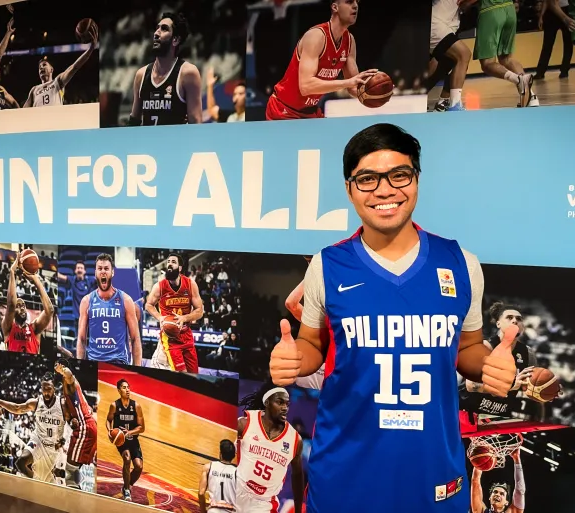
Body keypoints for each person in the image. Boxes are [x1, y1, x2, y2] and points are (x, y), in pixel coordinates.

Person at [268, 123, 517, 511]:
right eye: (367, 179)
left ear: (416, 180)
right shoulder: (327, 264)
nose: (384, 190)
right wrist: (296, 359)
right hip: (344, 471)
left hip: (434, 473)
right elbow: (313, 344)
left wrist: (488, 365)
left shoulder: (462, 263)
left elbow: (466, 348)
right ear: (349, 188)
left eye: (399, 175)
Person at [265, 0, 377, 121]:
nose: (355, 6)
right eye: (349, 2)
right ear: (335, 7)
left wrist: (374, 93)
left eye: (357, 2)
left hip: (310, 111)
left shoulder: (349, 41)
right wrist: (347, 82)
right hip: (283, 109)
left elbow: (354, 87)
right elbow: (306, 86)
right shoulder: (316, 36)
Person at [237, 384, 304, 512]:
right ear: (267, 403)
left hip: (263, 503)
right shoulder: (245, 423)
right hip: (236, 490)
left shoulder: (295, 439)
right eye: (280, 402)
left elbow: (297, 475)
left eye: (287, 404)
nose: (285, 408)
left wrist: (298, 510)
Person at [0, 373, 66, 483]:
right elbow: (17, 408)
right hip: (38, 440)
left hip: (53, 448)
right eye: (44, 389)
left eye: (49, 389)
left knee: (47, 480)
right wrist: (0, 402)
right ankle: (33, 485)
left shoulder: (62, 405)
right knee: (20, 462)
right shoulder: (36, 403)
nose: (46, 392)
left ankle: (37, 485)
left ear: (54, 388)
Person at [129, 12, 202, 126]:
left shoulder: (188, 73)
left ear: (175, 40)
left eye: (164, 29)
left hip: (175, 143)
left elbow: (196, 123)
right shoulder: (141, 75)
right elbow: (134, 121)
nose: (156, 33)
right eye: (157, 28)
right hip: (147, 143)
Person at [76, 253, 142, 366]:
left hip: (119, 361)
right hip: (94, 361)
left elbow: (135, 338)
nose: (103, 271)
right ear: (95, 273)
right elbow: (81, 339)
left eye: (106, 268)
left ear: (112, 272)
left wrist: (138, 370)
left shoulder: (125, 300)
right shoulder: (87, 301)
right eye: (99, 268)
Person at [471, 0, 538, 107]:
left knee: (487, 64)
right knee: (507, 59)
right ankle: (531, 97)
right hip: (509, 9)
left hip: (491, 11)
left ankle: (518, 79)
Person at [144, 254, 204, 373]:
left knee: (193, 375)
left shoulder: (190, 284)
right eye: (168, 262)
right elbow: (148, 305)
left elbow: (200, 311)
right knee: (181, 374)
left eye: (173, 262)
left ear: (180, 268)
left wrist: (184, 318)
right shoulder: (159, 286)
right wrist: (160, 317)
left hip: (186, 334)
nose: (169, 264)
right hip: (170, 337)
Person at [24, 25, 97, 108]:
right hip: (39, 120)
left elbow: (74, 67)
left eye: (44, 65)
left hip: (55, 119)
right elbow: (23, 111)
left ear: (51, 69)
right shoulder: (34, 89)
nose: (41, 67)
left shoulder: (57, 82)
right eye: (39, 67)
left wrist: (90, 49)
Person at [55, 359, 97, 490]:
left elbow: (69, 375)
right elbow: (68, 416)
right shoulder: (65, 389)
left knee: (70, 473)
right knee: (74, 471)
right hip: (87, 427)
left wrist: (63, 370)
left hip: (85, 428)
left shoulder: (71, 382)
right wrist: (70, 420)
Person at [2, 256, 55, 354]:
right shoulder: (8, 327)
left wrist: (35, 280)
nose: (22, 307)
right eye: (18, 306)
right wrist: (12, 272)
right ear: (13, 313)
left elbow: (50, 311)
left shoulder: (34, 328)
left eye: (23, 305)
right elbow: (11, 304)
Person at [429, 0, 472, 111]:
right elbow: (465, 4)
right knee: (464, 54)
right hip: (436, 24)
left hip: (444, 25)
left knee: (448, 62)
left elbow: (464, 6)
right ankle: (455, 105)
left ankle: (443, 101)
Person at [106, 378, 145, 502]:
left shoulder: (136, 406)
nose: (127, 390)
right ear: (118, 390)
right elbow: (108, 420)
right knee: (127, 458)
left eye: (128, 387)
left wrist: (130, 432)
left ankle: (127, 485)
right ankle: (127, 490)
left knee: (138, 467)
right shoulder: (114, 405)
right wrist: (109, 431)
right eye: (124, 387)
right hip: (122, 441)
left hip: (133, 440)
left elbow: (142, 428)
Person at [470, 445, 526, 513]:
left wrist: (517, 459)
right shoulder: (480, 511)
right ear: (490, 498)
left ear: (506, 502)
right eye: (495, 492)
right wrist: (481, 457)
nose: (497, 495)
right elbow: (475, 481)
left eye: (502, 494)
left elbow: (520, 490)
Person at [534, 0, 572, 80]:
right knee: (547, 44)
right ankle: (540, 71)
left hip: (566, 9)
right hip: (551, 11)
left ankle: (564, 70)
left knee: (568, 43)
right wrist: (542, 15)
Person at [198, 439, 237, 513]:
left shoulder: (208, 467)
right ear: (233, 456)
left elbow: (201, 493)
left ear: (220, 454)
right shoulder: (237, 472)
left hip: (213, 510)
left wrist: (203, 511)